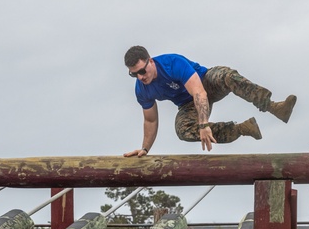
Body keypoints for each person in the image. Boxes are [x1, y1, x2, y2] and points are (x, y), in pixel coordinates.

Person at [121, 46, 297, 155]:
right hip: (187, 103)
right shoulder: (142, 89)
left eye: (142, 71)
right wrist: (144, 149)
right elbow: (151, 120)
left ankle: (274, 107)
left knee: (226, 76)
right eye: (133, 74)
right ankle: (242, 128)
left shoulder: (172, 63)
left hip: (206, 82)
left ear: (150, 62)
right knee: (183, 130)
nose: (140, 77)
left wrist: (204, 124)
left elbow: (199, 92)